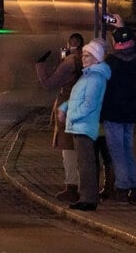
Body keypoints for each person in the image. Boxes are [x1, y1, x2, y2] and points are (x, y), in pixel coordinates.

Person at [58, 38, 110, 211]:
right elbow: (75, 98)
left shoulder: (95, 78)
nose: (84, 58)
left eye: (88, 55)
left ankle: (88, 198)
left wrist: (73, 115)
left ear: (97, 58)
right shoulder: (87, 75)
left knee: (86, 163)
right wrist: (64, 108)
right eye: (84, 55)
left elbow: (89, 104)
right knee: (84, 162)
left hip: (85, 125)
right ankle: (86, 196)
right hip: (79, 124)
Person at [35, 32, 84, 203]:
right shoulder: (85, 59)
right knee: (81, 148)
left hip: (68, 106)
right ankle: (84, 185)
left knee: (68, 148)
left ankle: (72, 186)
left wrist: (40, 65)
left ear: (70, 44)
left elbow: (49, 83)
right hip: (83, 106)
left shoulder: (69, 63)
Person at [101, 20, 136, 203]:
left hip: (113, 110)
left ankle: (122, 186)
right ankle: (134, 186)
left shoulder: (112, 62)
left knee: (116, 151)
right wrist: (122, 28)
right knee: (128, 149)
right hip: (130, 110)